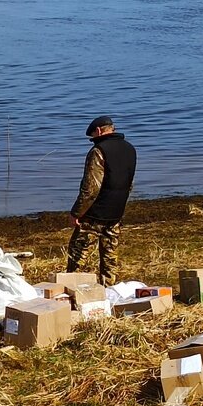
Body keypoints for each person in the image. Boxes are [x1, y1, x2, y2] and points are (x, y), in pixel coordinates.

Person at [66, 115, 137, 286]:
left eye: (92, 137)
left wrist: (76, 213)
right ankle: (110, 292)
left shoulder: (98, 151)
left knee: (77, 257)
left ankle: (72, 293)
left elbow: (91, 188)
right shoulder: (130, 149)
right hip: (116, 213)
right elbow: (129, 183)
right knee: (110, 260)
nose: (93, 140)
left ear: (98, 131)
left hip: (94, 215)